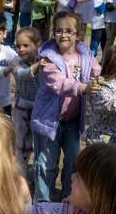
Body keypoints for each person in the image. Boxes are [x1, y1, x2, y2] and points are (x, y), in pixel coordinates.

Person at [31, 10, 102, 203]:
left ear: (78, 34)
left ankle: (67, 200)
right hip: (49, 121)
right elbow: (58, 84)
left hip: (72, 122)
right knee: (46, 164)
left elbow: (99, 72)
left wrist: (111, 79)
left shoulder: (86, 57)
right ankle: (42, 203)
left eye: (69, 31)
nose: (64, 35)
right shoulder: (48, 59)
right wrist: (84, 87)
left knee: (73, 162)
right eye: (59, 30)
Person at [11, 26, 43, 174]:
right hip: (21, 109)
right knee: (21, 143)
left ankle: (39, 176)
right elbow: (22, 75)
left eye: (25, 45)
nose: (21, 49)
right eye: (18, 46)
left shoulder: (44, 62)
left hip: (39, 110)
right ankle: (19, 176)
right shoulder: (16, 62)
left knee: (39, 145)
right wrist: (36, 67)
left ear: (37, 45)